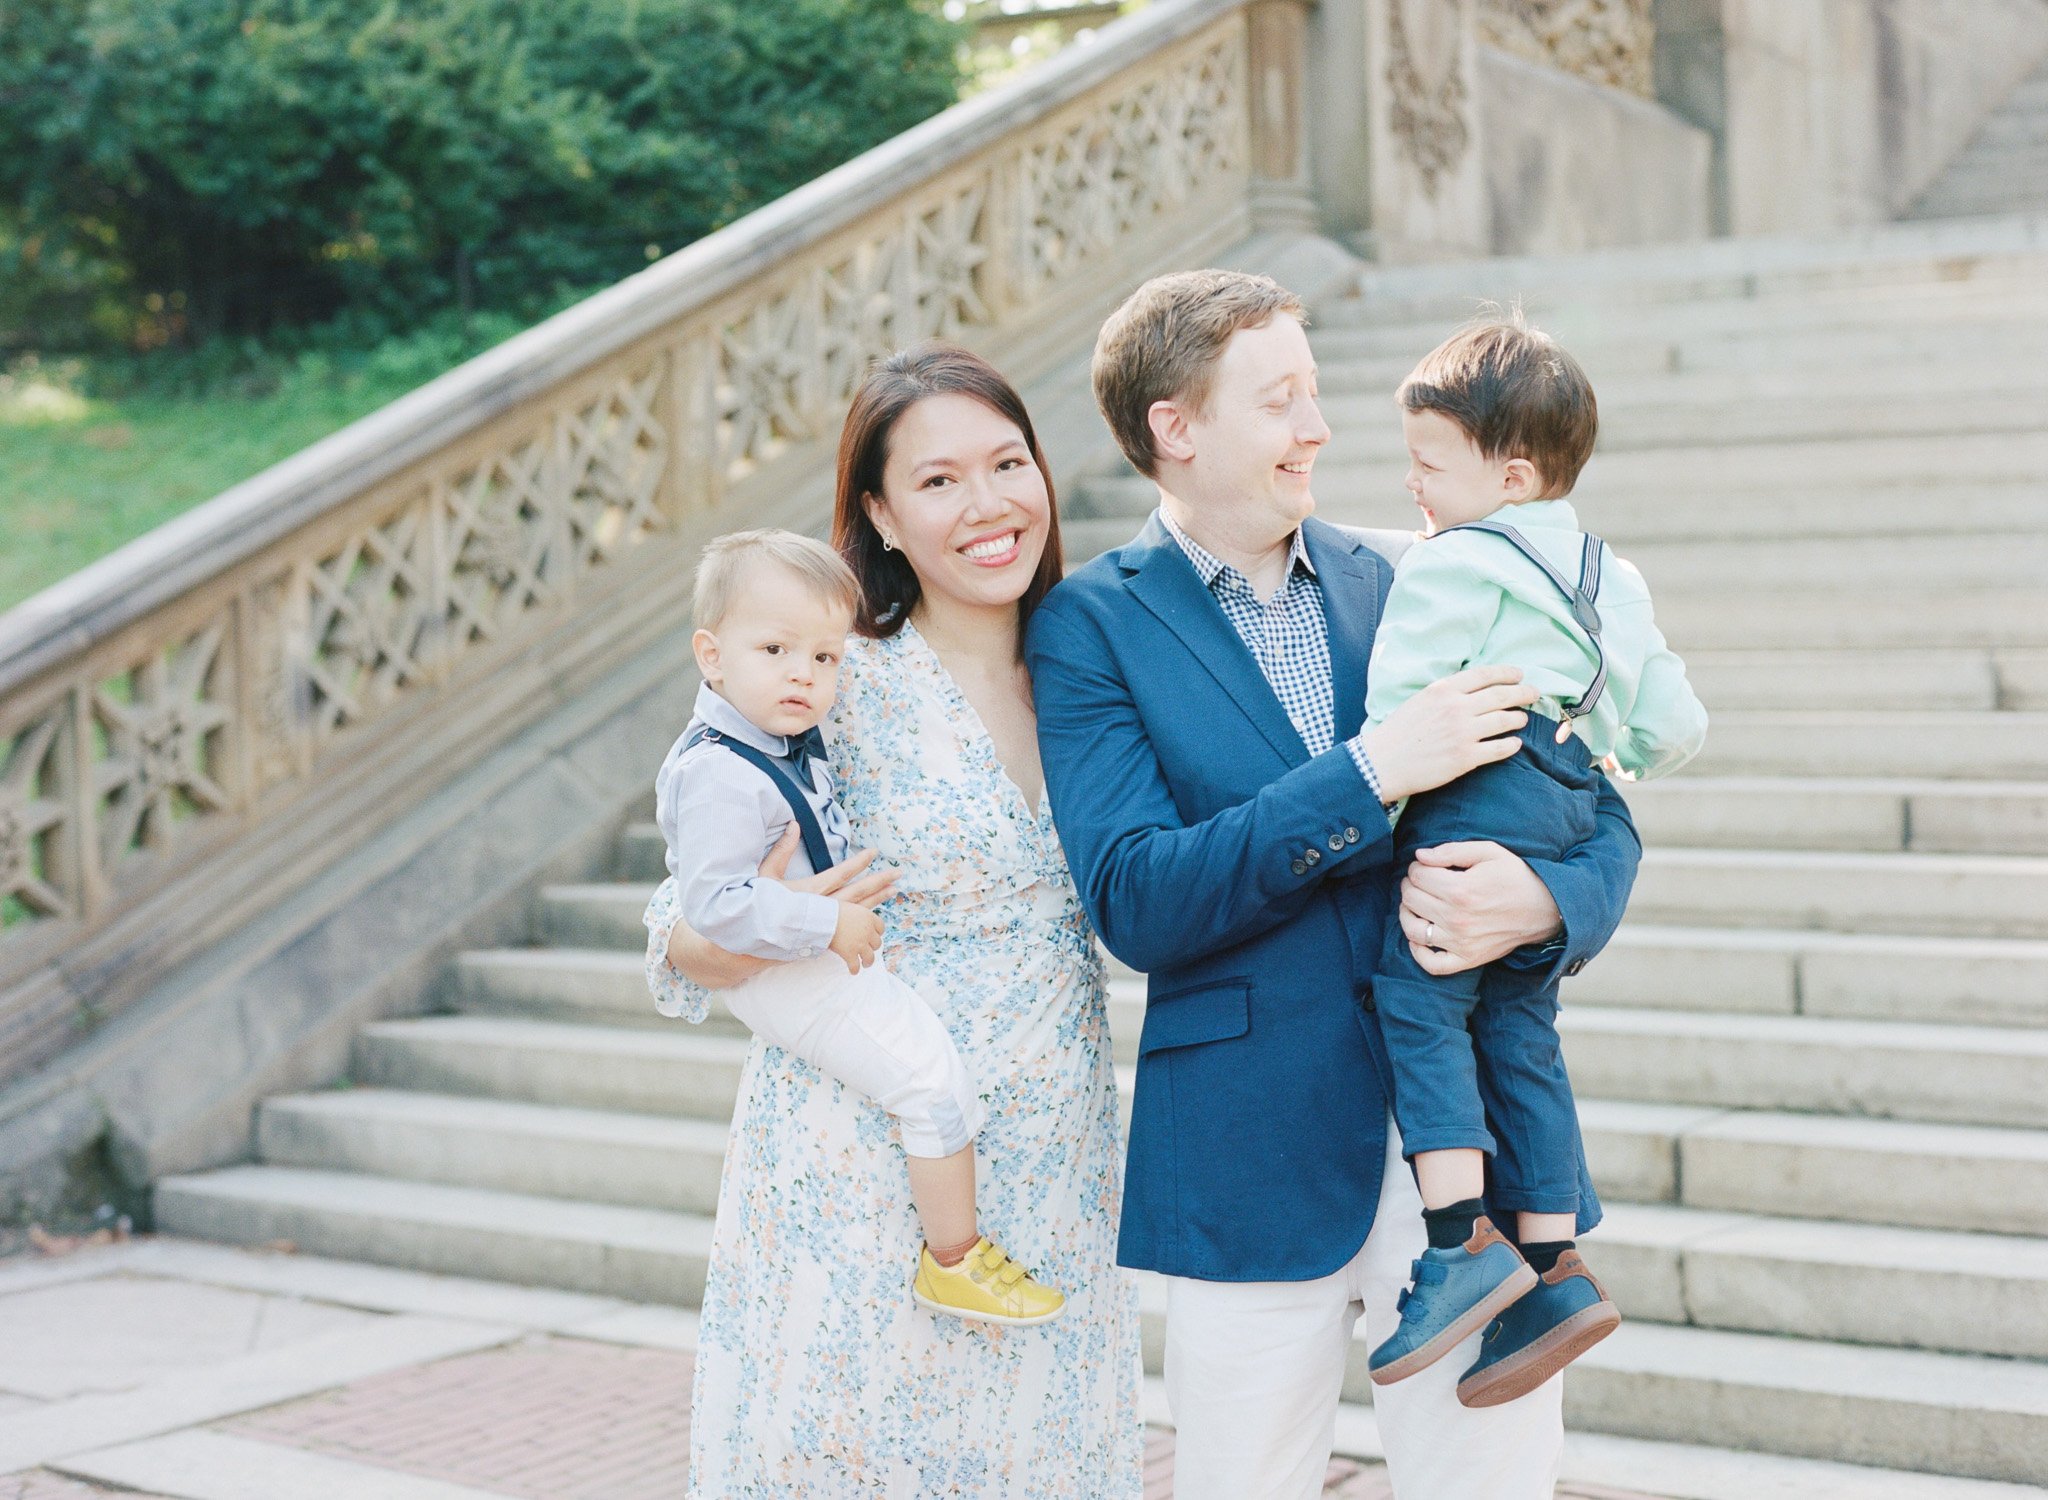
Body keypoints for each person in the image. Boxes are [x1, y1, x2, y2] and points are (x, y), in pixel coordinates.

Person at [1026, 269, 1642, 1500]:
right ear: (1175, 427)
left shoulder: (1426, 570)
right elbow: (1135, 899)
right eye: (1281, 400)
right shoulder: (1086, 623)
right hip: (1244, 1149)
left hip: (1465, 1153)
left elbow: (1602, 802)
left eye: (1312, 394)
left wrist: (1545, 905)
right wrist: (1370, 772)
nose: (1317, 429)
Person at [643, 343, 1143, 1496]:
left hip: (1054, 1149)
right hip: (859, 1151)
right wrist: (765, 924)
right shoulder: (825, 676)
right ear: (877, 511)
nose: (986, 505)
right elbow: (683, 918)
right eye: (936, 480)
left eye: (1007, 462)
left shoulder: (1094, 666)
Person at [1361, 318, 1706, 1406]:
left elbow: (1401, 705)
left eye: (1426, 463)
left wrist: (1380, 794)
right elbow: (1671, 720)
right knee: (1517, 1025)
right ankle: (1554, 1264)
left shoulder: (1453, 559)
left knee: (1416, 999)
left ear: (1506, 475)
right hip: (1571, 785)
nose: (1410, 483)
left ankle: (1459, 1240)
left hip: (1481, 784)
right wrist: (1613, 759)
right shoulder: (1612, 571)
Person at [654, 526, 1065, 1326]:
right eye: (774, 650)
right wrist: (824, 923)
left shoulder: (775, 738)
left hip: (810, 955)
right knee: (930, 1084)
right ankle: (953, 1259)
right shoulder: (716, 771)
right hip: (790, 968)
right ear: (712, 656)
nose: (803, 675)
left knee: (932, 1079)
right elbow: (713, 904)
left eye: (825, 657)